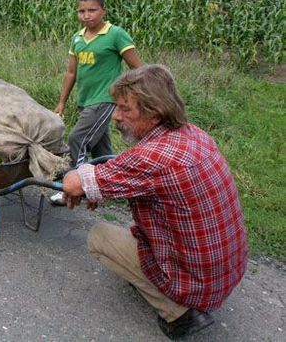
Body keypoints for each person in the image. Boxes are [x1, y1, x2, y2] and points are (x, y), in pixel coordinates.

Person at [61, 65, 248, 340]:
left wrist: (82, 184)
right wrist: (99, 186)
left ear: (154, 114)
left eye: (126, 109)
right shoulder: (195, 134)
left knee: (99, 237)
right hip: (227, 271)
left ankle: (180, 313)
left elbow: (71, 184)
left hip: (197, 285)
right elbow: (130, 175)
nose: (116, 116)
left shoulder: (151, 158)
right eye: (117, 107)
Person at [55, 0, 142, 167]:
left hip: (105, 99)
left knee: (77, 139)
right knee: (101, 150)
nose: (86, 15)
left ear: (104, 10)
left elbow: (138, 69)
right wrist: (61, 102)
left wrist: (133, 97)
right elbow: (71, 73)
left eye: (92, 10)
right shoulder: (77, 38)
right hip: (85, 99)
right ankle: (108, 184)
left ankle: (75, 186)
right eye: (81, 11)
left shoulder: (115, 34)